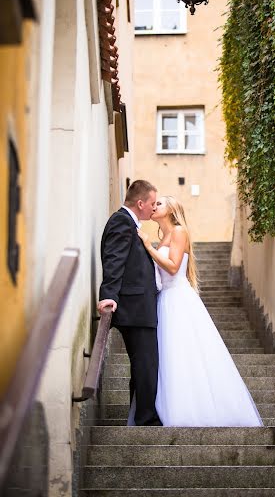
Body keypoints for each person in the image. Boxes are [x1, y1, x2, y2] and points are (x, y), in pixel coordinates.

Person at [131, 195, 262, 427]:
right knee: (168, 356)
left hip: (179, 300)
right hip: (164, 300)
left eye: (159, 203)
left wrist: (148, 246)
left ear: (171, 209)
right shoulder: (164, 237)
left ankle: (194, 410)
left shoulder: (179, 231)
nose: (154, 206)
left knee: (184, 353)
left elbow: (172, 268)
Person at [98, 180, 162, 426]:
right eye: (152, 203)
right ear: (140, 203)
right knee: (146, 362)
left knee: (144, 362)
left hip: (138, 306)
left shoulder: (129, 223)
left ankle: (141, 415)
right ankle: (146, 419)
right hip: (133, 307)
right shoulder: (121, 222)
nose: (153, 208)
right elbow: (114, 259)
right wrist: (109, 295)